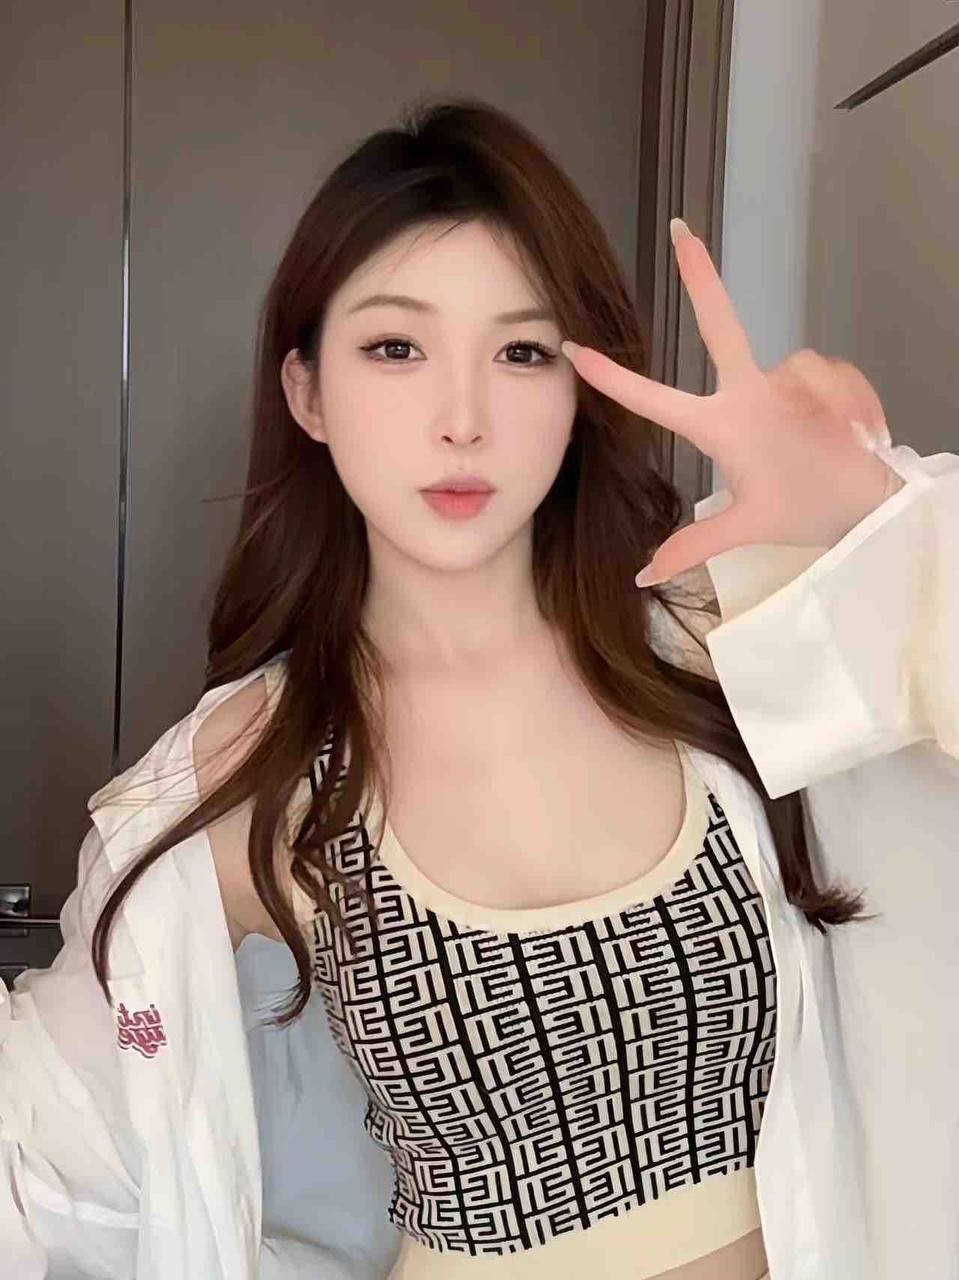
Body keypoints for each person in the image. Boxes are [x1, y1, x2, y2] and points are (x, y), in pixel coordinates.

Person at [2, 95, 957, 1280]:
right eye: (395, 349)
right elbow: (42, 1145)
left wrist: (880, 529)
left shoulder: (720, 639)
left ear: (580, 387)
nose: (463, 421)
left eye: (521, 351)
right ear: (306, 391)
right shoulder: (263, 758)